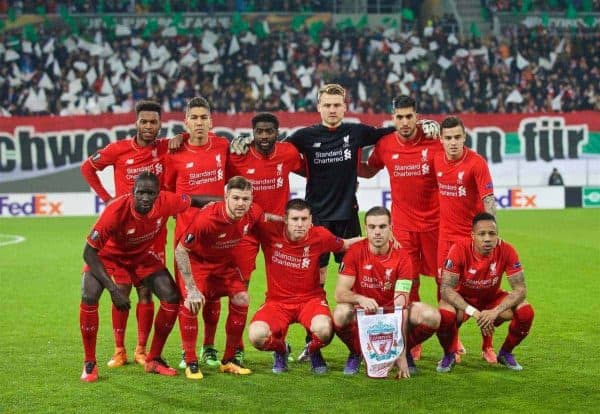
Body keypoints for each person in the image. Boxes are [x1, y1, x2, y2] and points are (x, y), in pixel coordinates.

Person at [232, 83, 439, 361]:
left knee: (354, 286)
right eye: (326, 105)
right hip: (315, 222)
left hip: (348, 219)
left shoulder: (356, 132)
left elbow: (389, 132)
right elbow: (271, 145)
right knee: (312, 286)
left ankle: (357, 348)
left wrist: (426, 125)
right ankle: (312, 344)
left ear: (345, 106)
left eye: (336, 105)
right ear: (319, 107)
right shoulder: (305, 137)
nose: (332, 109)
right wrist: (245, 141)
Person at [79, 172, 212, 382]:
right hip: (108, 256)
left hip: (140, 257)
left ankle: (154, 359)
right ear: (132, 192)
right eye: (140, 192)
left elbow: (195, 200)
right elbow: (89, 252)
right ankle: (89, 363)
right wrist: (113, 290)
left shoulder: (168, 201)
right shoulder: (115, 211)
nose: (145, 198)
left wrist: (228, 203)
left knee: (171, 296)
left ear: (158, 194)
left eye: (151, 193)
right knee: (88, 294)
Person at [80, 99, 181, 368]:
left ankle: (141, 350)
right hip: (121, 227)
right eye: (144, 121)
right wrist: (107, 199)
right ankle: (119, 350)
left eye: (154, 122)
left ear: (160, 124)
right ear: (136, 122)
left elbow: (194, 145)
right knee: (121, 287)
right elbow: (87, 168)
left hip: (153, 230)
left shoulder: (166, 147)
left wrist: (181, 137)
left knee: (146, 291)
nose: (148, 126)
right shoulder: (119, 149)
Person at [360, 95, 442, 360]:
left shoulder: (435, 141)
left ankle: (451, 340)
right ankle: (413, 340)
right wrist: (340, 163)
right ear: (392, 118)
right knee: (410, 283)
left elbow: (458, 153)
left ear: (417, 116)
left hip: (436, 225)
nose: (405, 122)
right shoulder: (385, 145)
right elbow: (369, 170)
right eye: (400, 117)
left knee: (445, 283)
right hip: (404, 227)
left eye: (409, 116)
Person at [247, 199, 362, 374]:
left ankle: (313, 349)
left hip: (311, 300)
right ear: (285, 219)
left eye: (304, 219)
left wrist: (379, 239)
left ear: (310, 220)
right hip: (277, 302)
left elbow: (345, 244)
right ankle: (281, 350)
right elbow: (246, 216)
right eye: (295, 219)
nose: (300, 224)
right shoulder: (270, 231)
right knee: (256, 336)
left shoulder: (320, 235)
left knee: (324, 330)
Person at [174, 176, 266, 379]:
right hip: (198, 264)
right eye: (236, 198)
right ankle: (190, 361)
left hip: (223, 265)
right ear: (226, 197)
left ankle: (229, 360)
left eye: (246, 198)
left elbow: (268, 219)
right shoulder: (207, 219)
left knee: (242, 298)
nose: (241, 203)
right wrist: (191, 287)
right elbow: (181, 251)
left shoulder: (252, 213)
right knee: (192, 303)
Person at [333, 207, 440, 378]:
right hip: (365, 314)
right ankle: (356, 352)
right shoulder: (354, 252)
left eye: (382, 227)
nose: (377, 232)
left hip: (392, 314)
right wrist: (361, 298)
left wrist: (402, 352)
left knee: (431, 316)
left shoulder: (403, 257)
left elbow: (401, 305)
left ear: (391, 228)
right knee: (341, 313)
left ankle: (400, 352)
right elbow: (339, 294)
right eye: (372, 227)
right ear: (365, 228)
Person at [163, 96, 230, 370]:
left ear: (211, 121)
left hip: (219, 237)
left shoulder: (223, 146)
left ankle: (210, 347)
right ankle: (186, 351)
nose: (200, 122)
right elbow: (167, 193)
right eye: (195, 118)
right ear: (186, 122)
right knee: (188, 296)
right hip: (186, 239)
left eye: (204, 117)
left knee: (213, 295)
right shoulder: (174, 153)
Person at [434, 115, 498, 364]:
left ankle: (487, 346)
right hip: (445, 240)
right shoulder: (436, 157)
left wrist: (491, 235)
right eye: (448, 138)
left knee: (483, 293)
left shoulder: (476, 163)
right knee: (446, 293)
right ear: (440, 139)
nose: (453, 142)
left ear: (464, 137)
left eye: (457, 137)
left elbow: (488, 199)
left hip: (470, 241)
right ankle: (452, 343)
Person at [436, 213, 534, 373]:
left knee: (526, 312)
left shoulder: (507, 250)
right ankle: (449, 354)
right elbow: (446, 289)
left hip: (492, 299)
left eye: (492, 233)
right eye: (482, 234)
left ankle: (505, 353)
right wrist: (474, 312)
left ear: (497, 235)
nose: (487, 238)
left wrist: (495, 312)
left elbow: (521, 289)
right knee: (444, 313)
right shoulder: (458, 249)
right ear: (473, 235)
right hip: (465, 300)